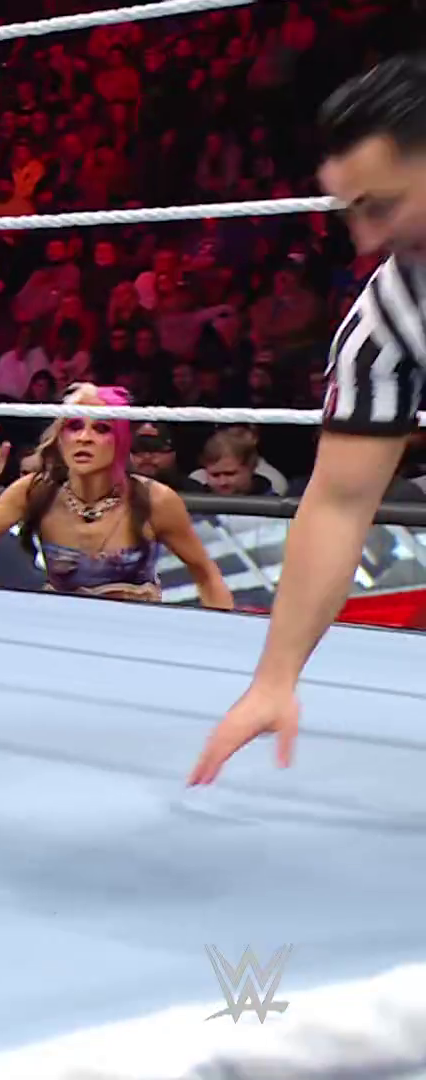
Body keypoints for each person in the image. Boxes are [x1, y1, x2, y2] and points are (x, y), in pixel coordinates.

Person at [193, 58, 426, 784]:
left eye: (381, 206)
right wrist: (274, 680)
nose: (363, 240)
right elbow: (338, 500)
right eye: (351, 210)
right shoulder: (389, 318)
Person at [0, 384, 234, 608]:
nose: (84, 438)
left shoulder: (155, 500)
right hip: (61, 628)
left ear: (120, 442)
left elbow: (206, 573)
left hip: (135, 634)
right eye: (75, 426)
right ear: (60, 438)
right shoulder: (34, 491)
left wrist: (223, 641)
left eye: (101, 428)